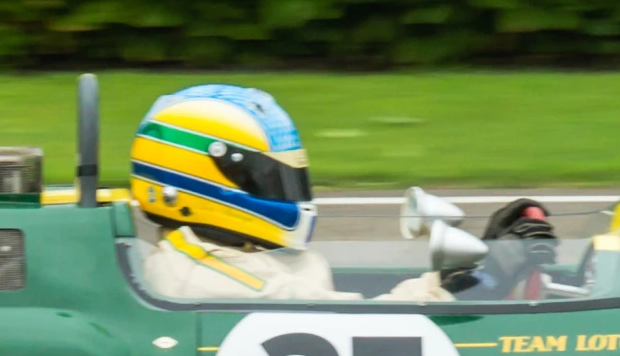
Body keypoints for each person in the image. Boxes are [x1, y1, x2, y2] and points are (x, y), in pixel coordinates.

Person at [129, 84, 452, 302]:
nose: (286, 192)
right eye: (268, 177)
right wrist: (445, 286)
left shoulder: (207, 254)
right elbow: (362, 324)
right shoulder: (204, 280)